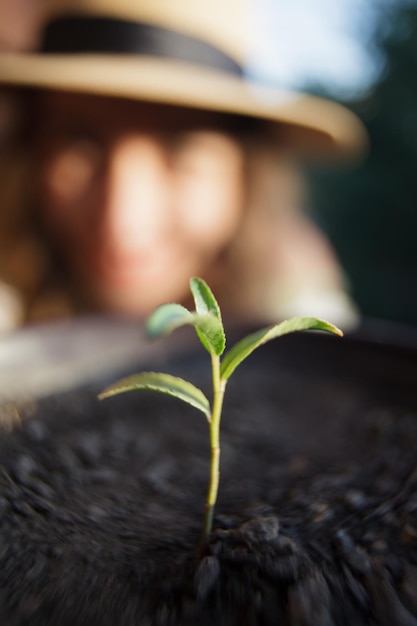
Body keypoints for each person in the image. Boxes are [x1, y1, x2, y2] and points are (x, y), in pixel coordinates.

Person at [0, 0, 367, 333]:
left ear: (246, 174)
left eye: (182, 153)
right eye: (80, 145)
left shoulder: (293, 300)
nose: (123, 222)